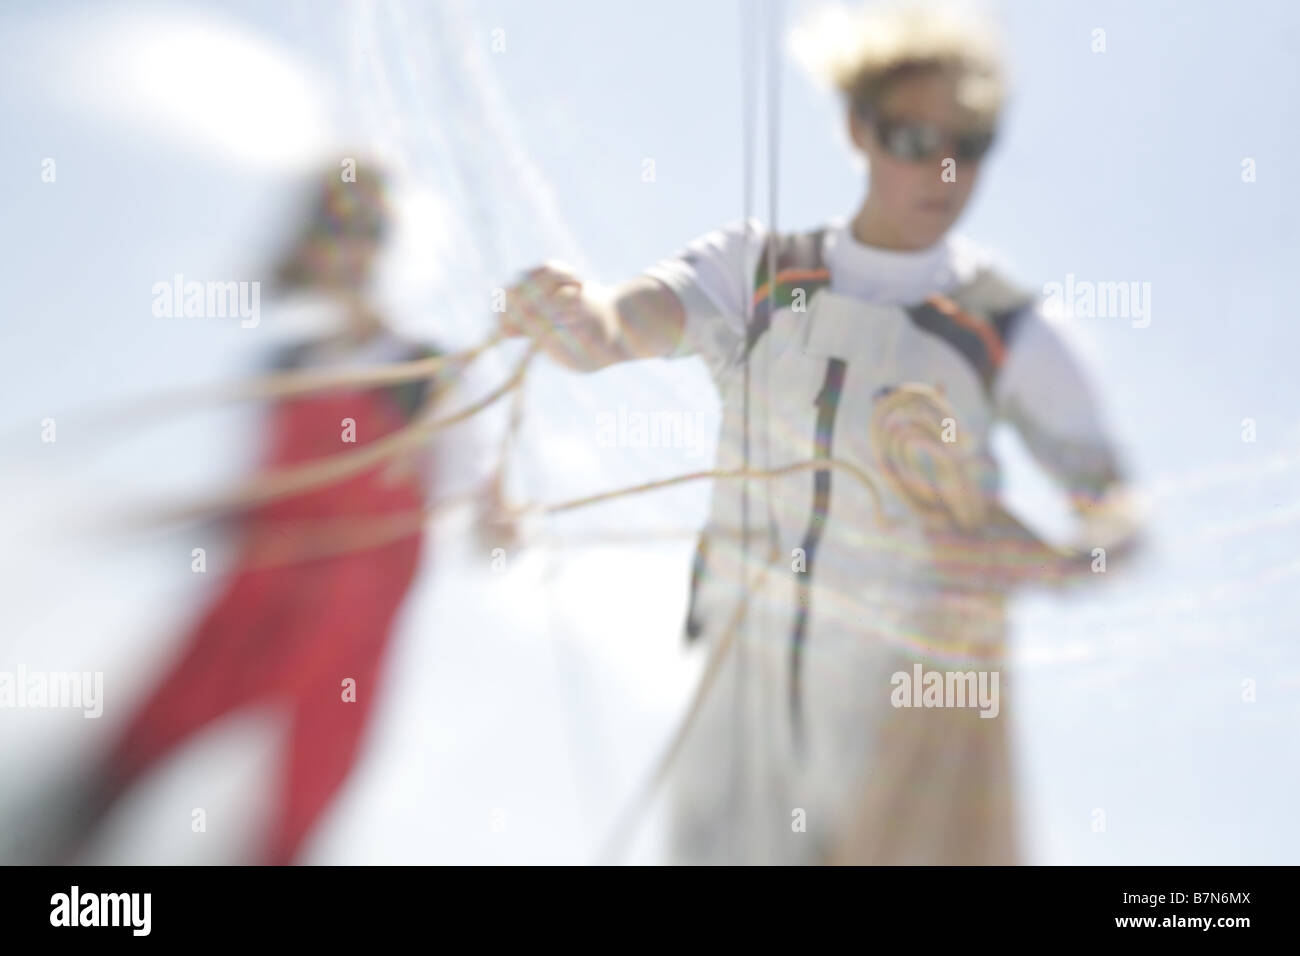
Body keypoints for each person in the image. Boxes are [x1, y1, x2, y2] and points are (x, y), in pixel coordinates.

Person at [501, 4, 1142, 864]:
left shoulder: (1007, 331)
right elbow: (621, 325)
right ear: (858, 129)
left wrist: (1057, 560)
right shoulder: (761, 272)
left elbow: (1116, 520)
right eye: (915, 137)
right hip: (740, 706)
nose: (945, 169)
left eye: (973, 141)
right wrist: (581, 321)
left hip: (905, 725)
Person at [64, 160, 446, 864]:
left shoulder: (420, 371)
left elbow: (467, 496)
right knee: (142, 740)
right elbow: (257, 491)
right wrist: (208, 520)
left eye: (358, 235)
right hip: (258, 584)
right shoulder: (285, 363)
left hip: (352, 608)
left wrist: (501, 521)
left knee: (304, 790)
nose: (342, 256)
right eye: (327, 237)